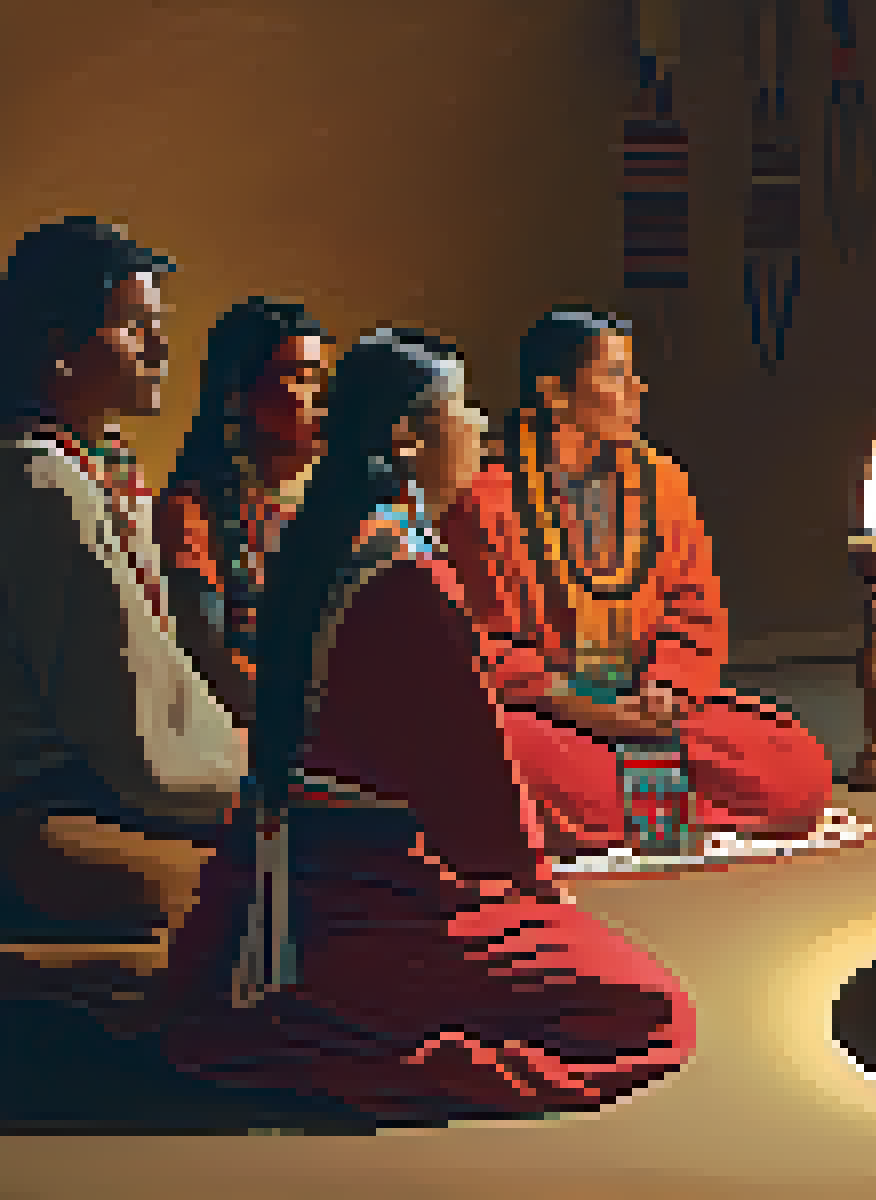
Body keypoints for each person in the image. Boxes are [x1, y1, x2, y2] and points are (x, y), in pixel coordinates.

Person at [157, 330, 694, 1121]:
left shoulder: (346, 535)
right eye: (462, 407)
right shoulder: (404, 577)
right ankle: (362, 1031)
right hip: (379, 900)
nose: (479, 423)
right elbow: (481, 809)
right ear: (410, 438)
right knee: (648, 1008)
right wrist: (536, 901)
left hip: (317, 873)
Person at [439, 308, 842, 862]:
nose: (636, 389)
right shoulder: (485, 497)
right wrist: (577, 703)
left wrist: (666, 687)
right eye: (614, 374)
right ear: (554, 393)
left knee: (795, 766)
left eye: (633, 373)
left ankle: (624, 809)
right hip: (549, 713)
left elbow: (694, 614)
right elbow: (471, 643)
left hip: (647, 705)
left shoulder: (664, 482)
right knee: (510, 762)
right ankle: (644, 804)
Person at [0, 218, 242, 966]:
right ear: (60, 347)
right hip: (59, 811)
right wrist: (260, 778)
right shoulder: (42, 483)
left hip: (113, 784)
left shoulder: (95, 473)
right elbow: (128, 724)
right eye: (135, 327)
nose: (160, 349)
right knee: (300, 889)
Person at [156, 298, 333, 725]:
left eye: (325, 379)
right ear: (237, 396)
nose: (324, 397)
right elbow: (213, 664)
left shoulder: (345, 508)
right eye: (302, 378)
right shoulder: (191, 517)